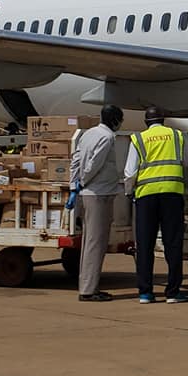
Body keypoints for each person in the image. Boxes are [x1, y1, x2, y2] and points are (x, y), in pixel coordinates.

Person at [125, 107, 188, 304]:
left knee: (145, 245)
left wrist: (129, 192)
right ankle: (173, 292)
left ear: (146, 122)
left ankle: (145, 292)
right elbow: (187, 163)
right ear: (164, 121)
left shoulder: (139, 139)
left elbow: (130, 172)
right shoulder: (177, 136)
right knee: (173, 244)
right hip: (172, 193)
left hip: (146, 196)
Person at [69, 105, 124, 302]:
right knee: (96, 244)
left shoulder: (88, 134)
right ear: (115, 120)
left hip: (90, 193)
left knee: (89, 242)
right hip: (100, 193)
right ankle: (89, 290)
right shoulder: (107, 137)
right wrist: (84, 180)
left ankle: (88, 286)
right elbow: (95, 163)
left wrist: (74, 184)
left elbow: (76, 160)